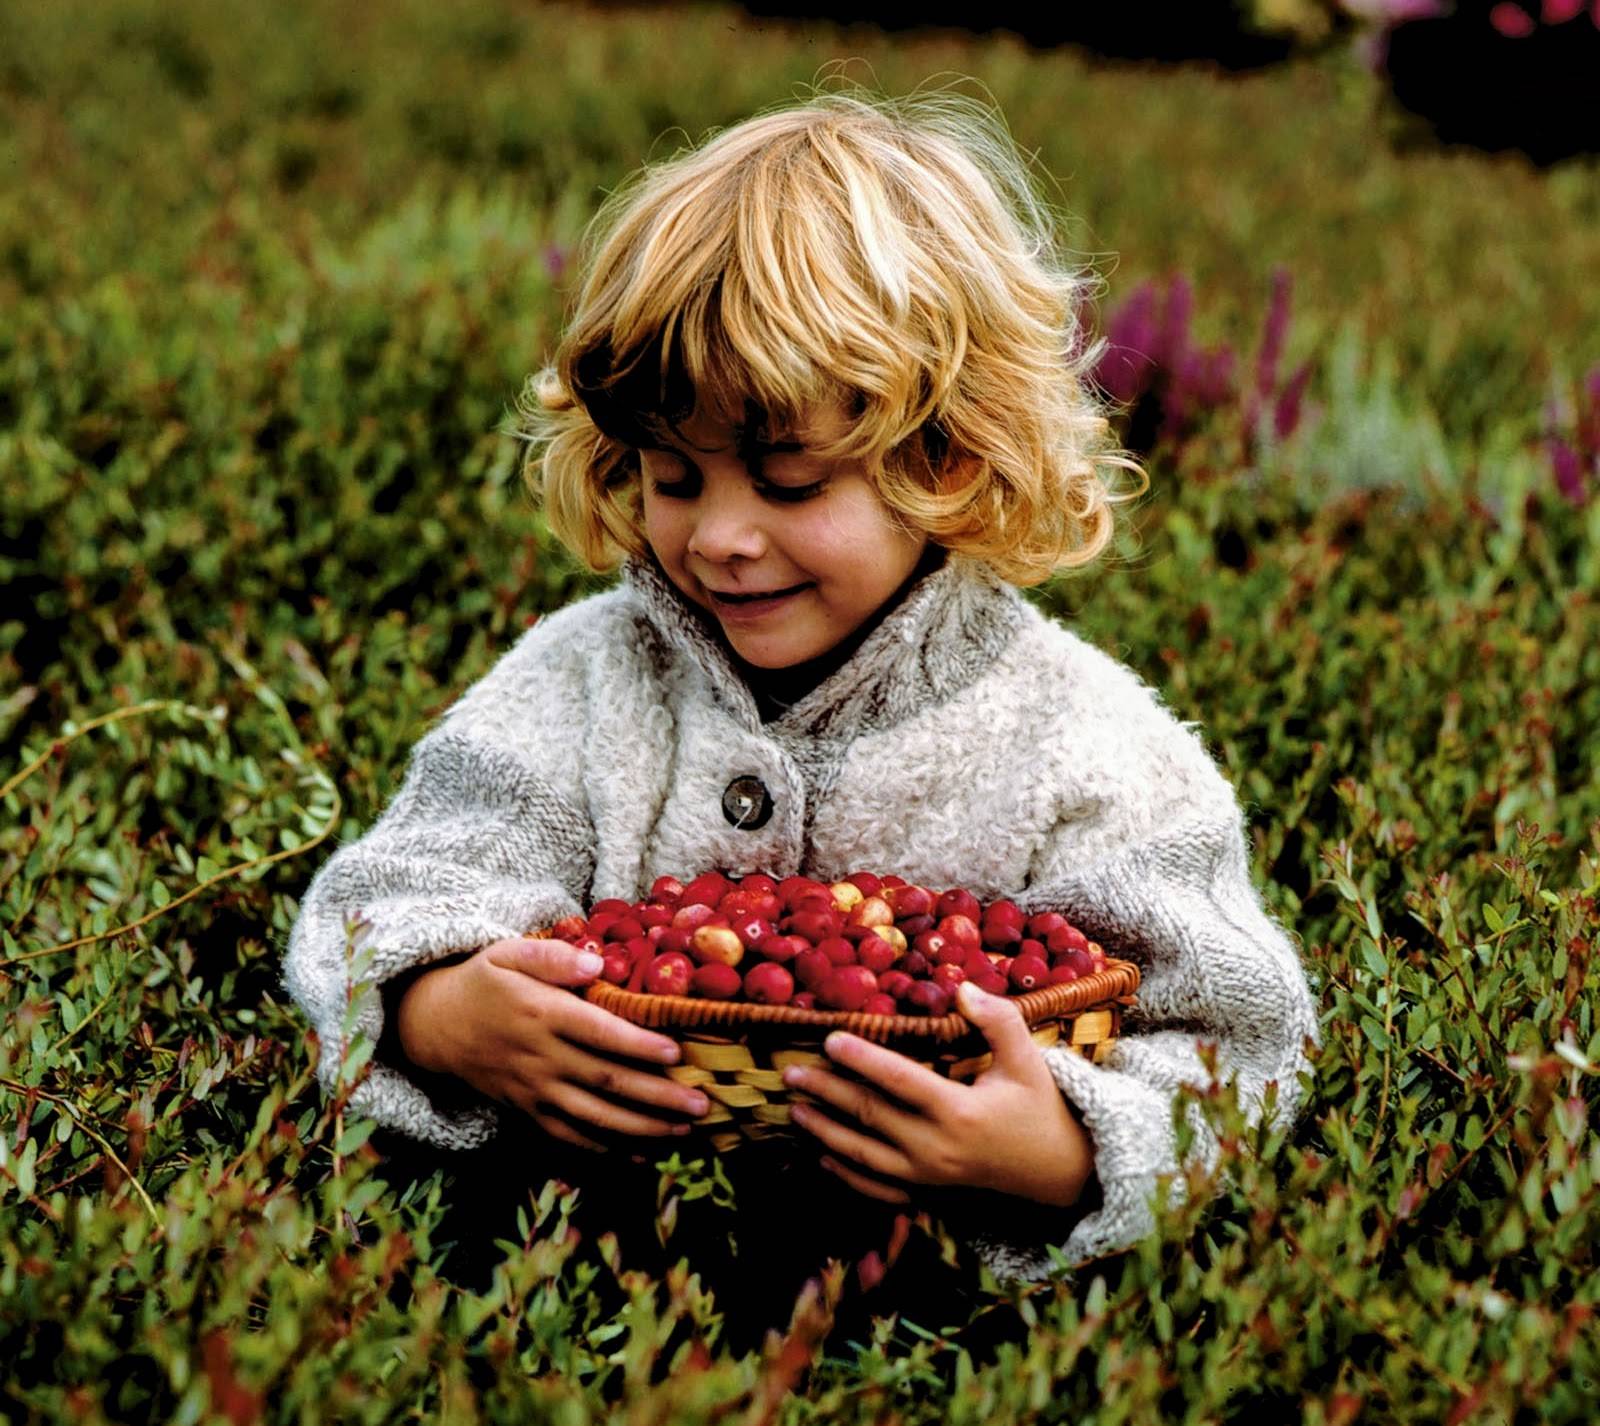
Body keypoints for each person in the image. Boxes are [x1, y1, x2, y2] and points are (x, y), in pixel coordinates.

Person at [282, 86, 1318, 1344]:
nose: (719, 536)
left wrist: (1060, 1152)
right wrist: (445, 1015)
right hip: (566, 1317)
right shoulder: (581, 684)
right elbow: (379, 905)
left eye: (787, 480)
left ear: (949, 459)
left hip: (941, 1339)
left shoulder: (1086, 748)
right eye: (673, 475)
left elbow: (1240, 1049)